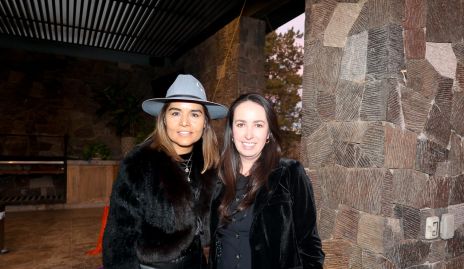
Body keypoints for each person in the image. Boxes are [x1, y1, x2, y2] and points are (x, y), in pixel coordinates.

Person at [102, 74, 228, 269]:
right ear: (164, 119)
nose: (184, 122)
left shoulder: (210, 164)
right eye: (176, 113)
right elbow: (119, 239)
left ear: (205, 122)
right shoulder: (139, 163)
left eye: (195, 114)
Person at [209, 93, 325, 269]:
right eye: (241, 124)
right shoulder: (217, 179)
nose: (248, 135)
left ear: (268, 133)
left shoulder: (290, 174)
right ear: (232, 132)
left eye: (258, 125)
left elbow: (310, 245)